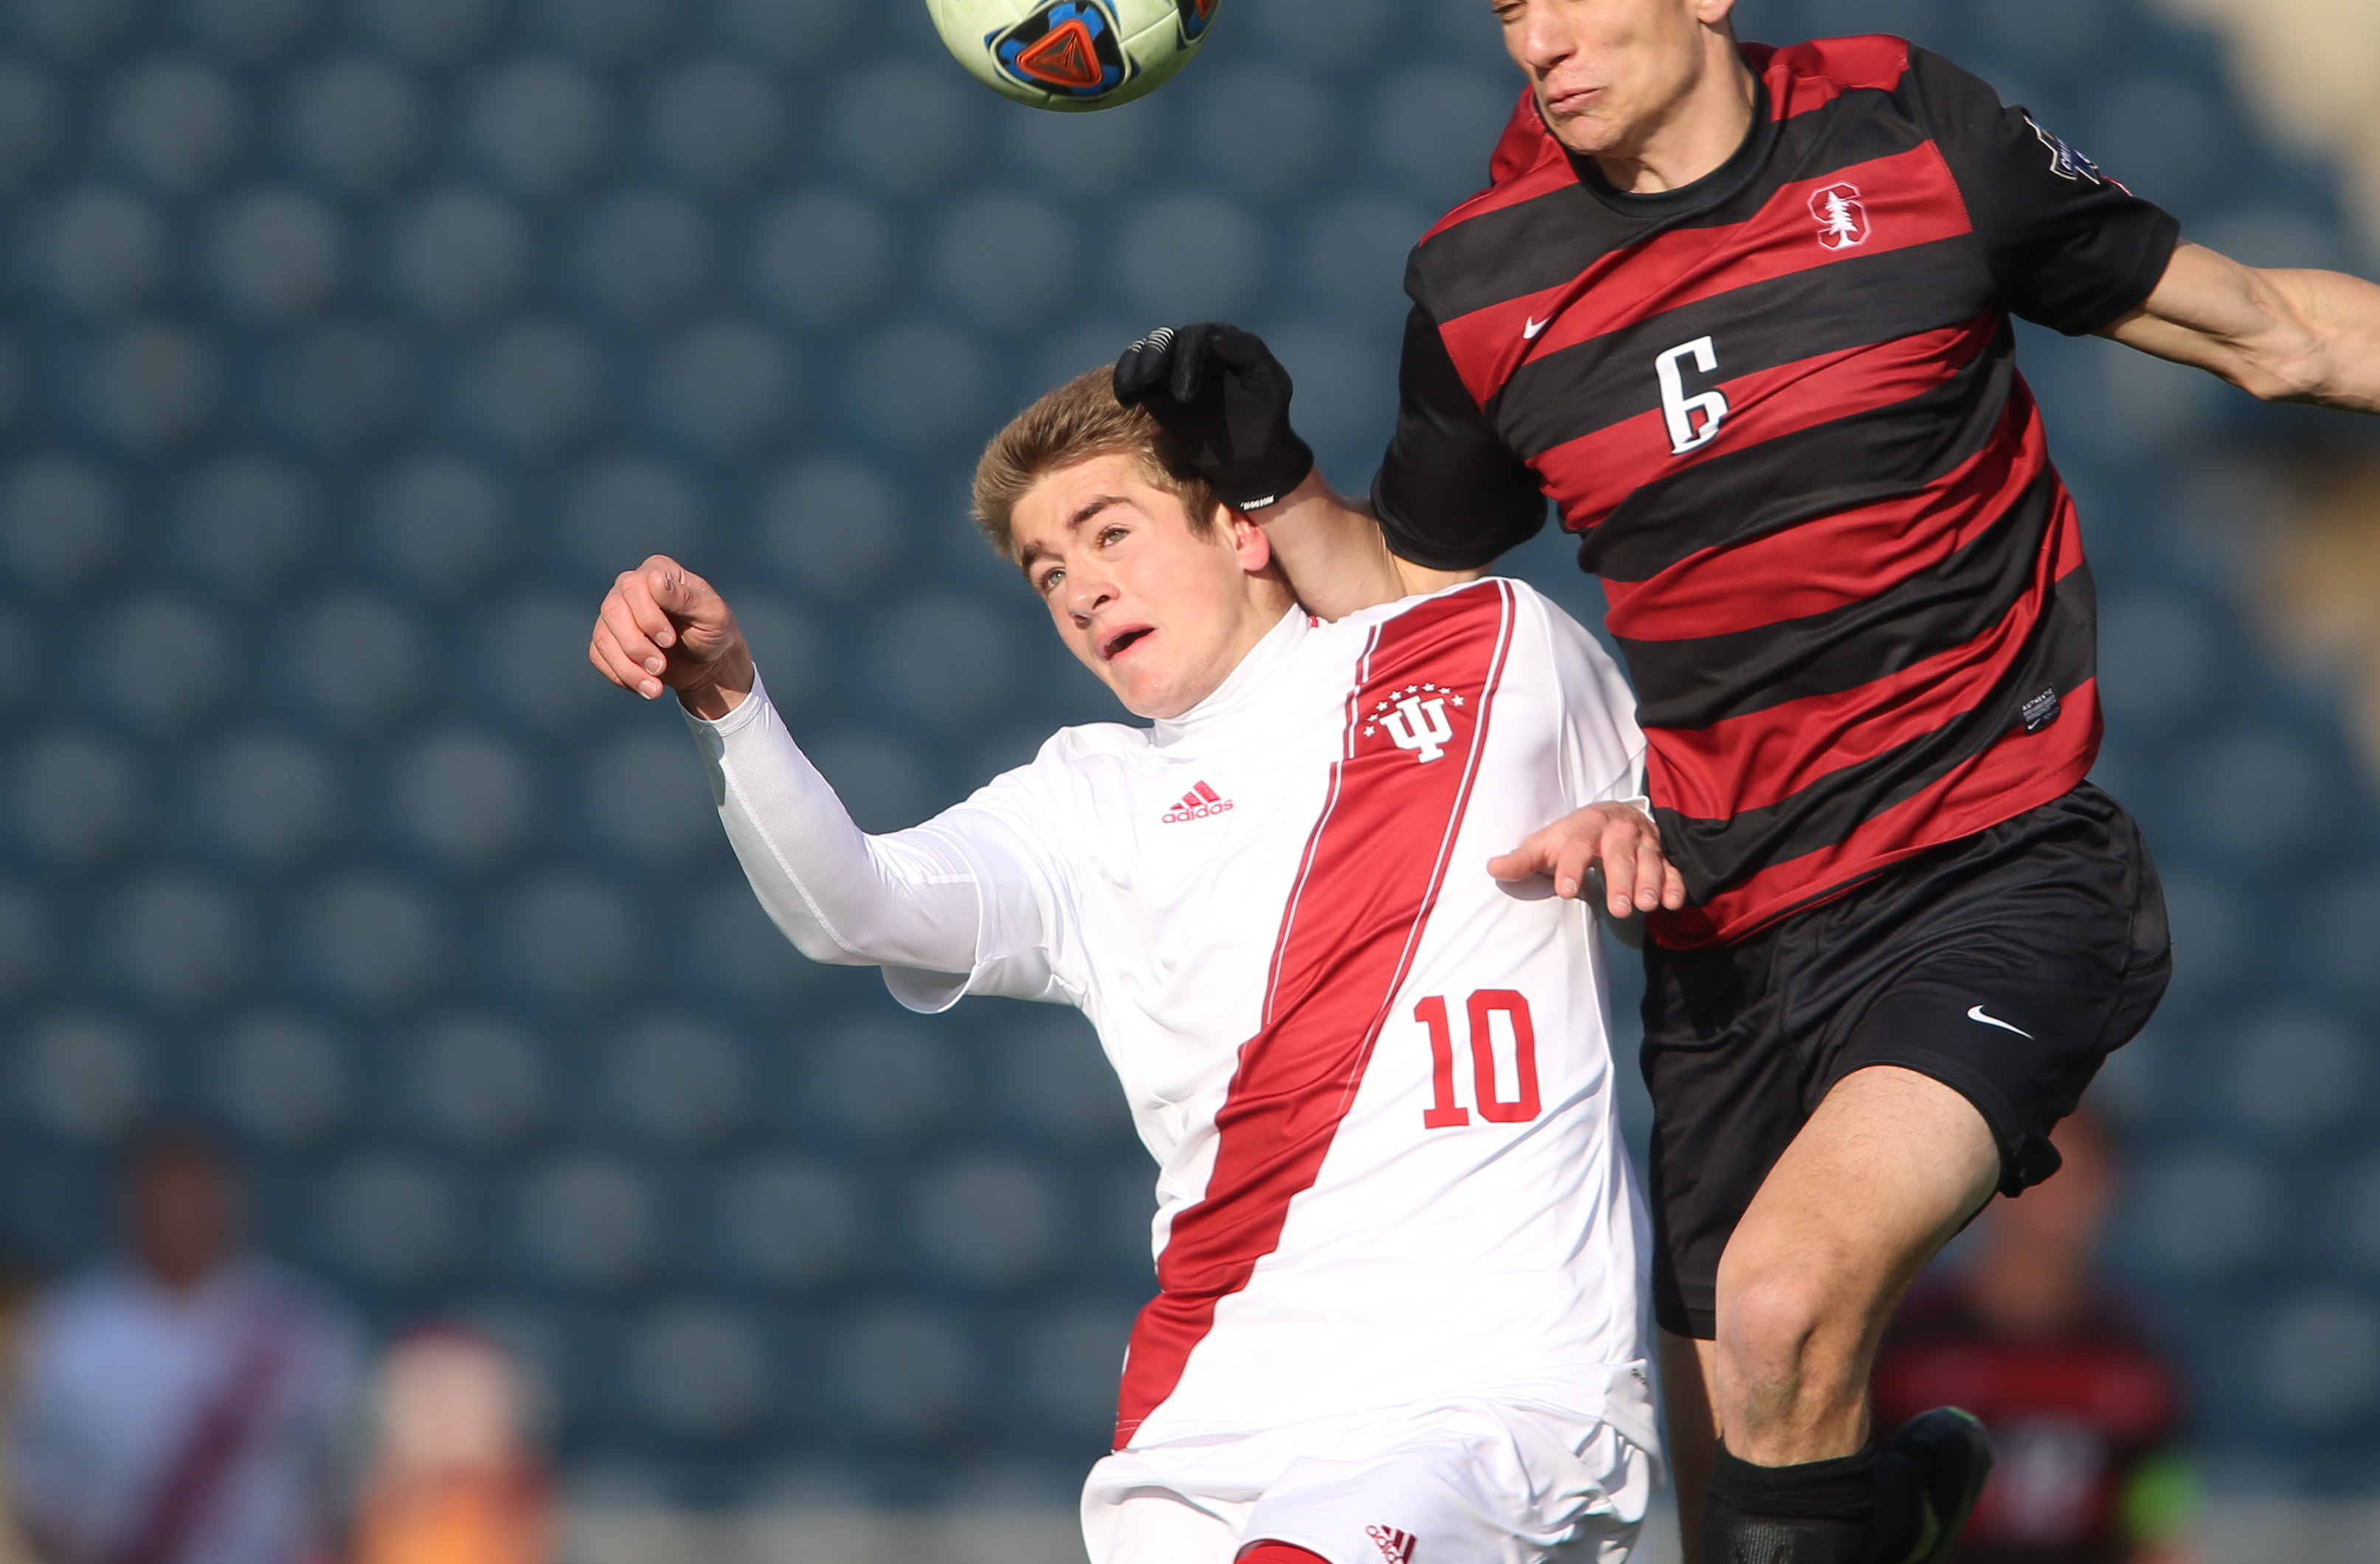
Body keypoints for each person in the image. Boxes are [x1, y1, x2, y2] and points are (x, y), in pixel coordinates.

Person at [1110, 0, 2380, 1563]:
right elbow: (1414, 597)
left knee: (1778, 1303)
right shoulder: (1481, 284)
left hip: (1989, 870)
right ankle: (1890, 1514)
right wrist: (1274, 475)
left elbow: (2266, 331)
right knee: (1738, 1505)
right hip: (1724, 944)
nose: (1545, 37)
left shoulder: (1916, 134)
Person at [587, 370, 1675, 1564]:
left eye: (1111, 532)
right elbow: (850, 907)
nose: (1082, 587)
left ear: (1243, 524)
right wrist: (727, 697)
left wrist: (1651, 833)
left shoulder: (1496, 651)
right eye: (1048, 571)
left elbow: (1700, 865)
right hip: (1202, 1431)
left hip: (1482, 1405)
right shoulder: (1083, 803)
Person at [7, 1127, 364, 1564]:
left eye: (193, 1192)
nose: (178, 1212)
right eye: (162, 1194)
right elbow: (45, 1496)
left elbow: (340, 1485)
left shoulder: (300, 1325)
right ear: (128, 1203)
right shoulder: (68, 1331)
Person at [1867, 1110, 2193, 1564]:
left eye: (2077, 1185)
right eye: (2044, 1182)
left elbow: (2157, 1521)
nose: (2054, 1211)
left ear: (2110, 1191)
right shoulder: (1906, 1341)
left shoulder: (2138, 1360)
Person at [348, 1328, 551, 1564]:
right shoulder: (367, 1495)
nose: (442, 1413)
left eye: (456, 1395)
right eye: (427, 1391)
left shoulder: (515, 1496)